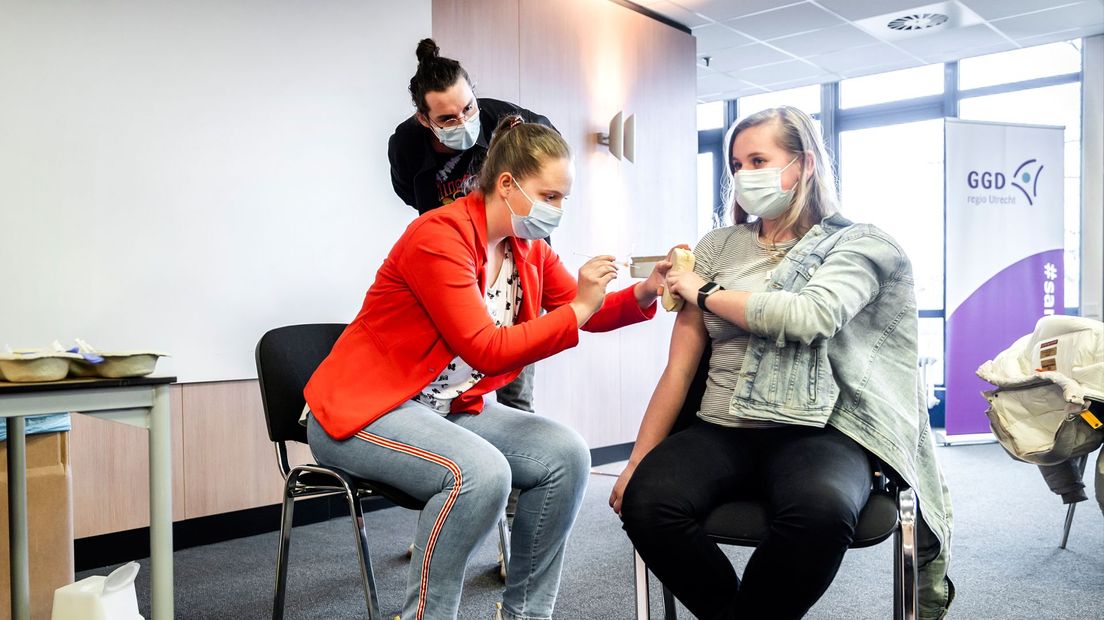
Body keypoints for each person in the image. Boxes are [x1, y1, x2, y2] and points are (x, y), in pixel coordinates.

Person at [306, 116, 676, 620]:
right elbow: (487, 348)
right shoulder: (438, 236)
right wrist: (579, 309)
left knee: (566, 455)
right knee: (480, 473)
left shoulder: (528, 248)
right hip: (363, 411)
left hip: (439, 407)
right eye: (551, 196)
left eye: (564, 197)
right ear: (508, 184)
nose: (559, 209)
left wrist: (647, 289)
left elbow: (585, 309)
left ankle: (525, 613)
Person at [612, 106, 955, 619]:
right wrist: (638, 459)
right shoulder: (718, 246)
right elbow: (679, 369)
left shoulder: (858, 244)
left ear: (805, 164)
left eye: (759, 159)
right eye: (736, 164)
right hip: (722, 427)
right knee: (646, 504)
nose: (745, 175)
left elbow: (810, 315)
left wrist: (706, 293)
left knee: (821, 513)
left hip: (820, 430)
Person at [389, 38, 553, 415]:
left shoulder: (510, 122)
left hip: (512, 263)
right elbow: (412, 197)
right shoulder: (406, 145)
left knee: (515, 387)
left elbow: (550, 164)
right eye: (447, 118)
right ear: (424, 119)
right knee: (447, 380)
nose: (462, 122)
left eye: (468, 108)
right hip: (454, 265)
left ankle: (520, 455)